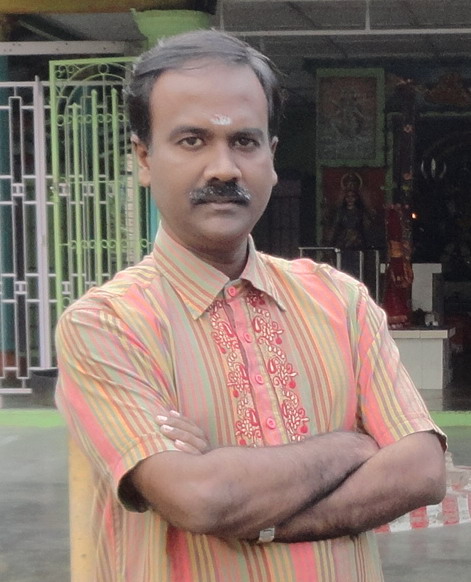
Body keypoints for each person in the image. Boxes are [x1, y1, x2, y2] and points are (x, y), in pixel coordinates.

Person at [55, 29, 446, 582]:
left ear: (272, 157)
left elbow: (421, 470)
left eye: (244, 141)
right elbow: (202, 499)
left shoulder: (341, 301)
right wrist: (349, 446)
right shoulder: (106, 325)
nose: (224, 168)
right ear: (144, 158)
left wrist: (261, 519)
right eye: (192, 140)